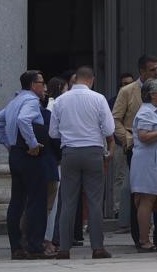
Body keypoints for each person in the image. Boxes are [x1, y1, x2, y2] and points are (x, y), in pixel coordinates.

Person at [47, 65, 116, 259]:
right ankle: (97, 247)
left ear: (75, 79)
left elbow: (53, 133)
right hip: (93, 151)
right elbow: (109, 128)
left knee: (68, 201)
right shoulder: (98, 98)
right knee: (94, 201)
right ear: (91, 80)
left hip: (69, 152)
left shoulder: (60, 101)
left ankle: (64, 248)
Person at [0, 71, 48, 260]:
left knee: (17, 201)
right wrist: (32, 144)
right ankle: (35, 246)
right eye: (41, 82)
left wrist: (9, 144)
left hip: (16, 154)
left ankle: (16, 247)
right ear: (33, 85)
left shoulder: (15, 101)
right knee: (36, 201)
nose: (44, 86)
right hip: (28, 154)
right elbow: (24, 120)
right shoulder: (30, 101)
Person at [111, 54, 157, 245]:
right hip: (136, 145)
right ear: (142, 71)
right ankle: (139, 235)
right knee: (138, 191)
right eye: (152, 70)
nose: (156, 72)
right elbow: (115, 118)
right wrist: (127, 138)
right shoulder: (127, 91)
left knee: (156, 191)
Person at [130, 80, 157, 251]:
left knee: (150, 199)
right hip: (146, 162)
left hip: (153, 161)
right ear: (152, 94)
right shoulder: (145, 112)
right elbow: (144, 136)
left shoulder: (155, 111)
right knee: (146, 199)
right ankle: (144, 240)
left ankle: (147, 238)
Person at [36, 76, 66, 257]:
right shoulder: (48, 112)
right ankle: (45, 240)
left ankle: (38, 239)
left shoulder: (22, 106)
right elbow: (54, 136)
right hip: (50, 161)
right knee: (50, 205)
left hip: (36, 161)